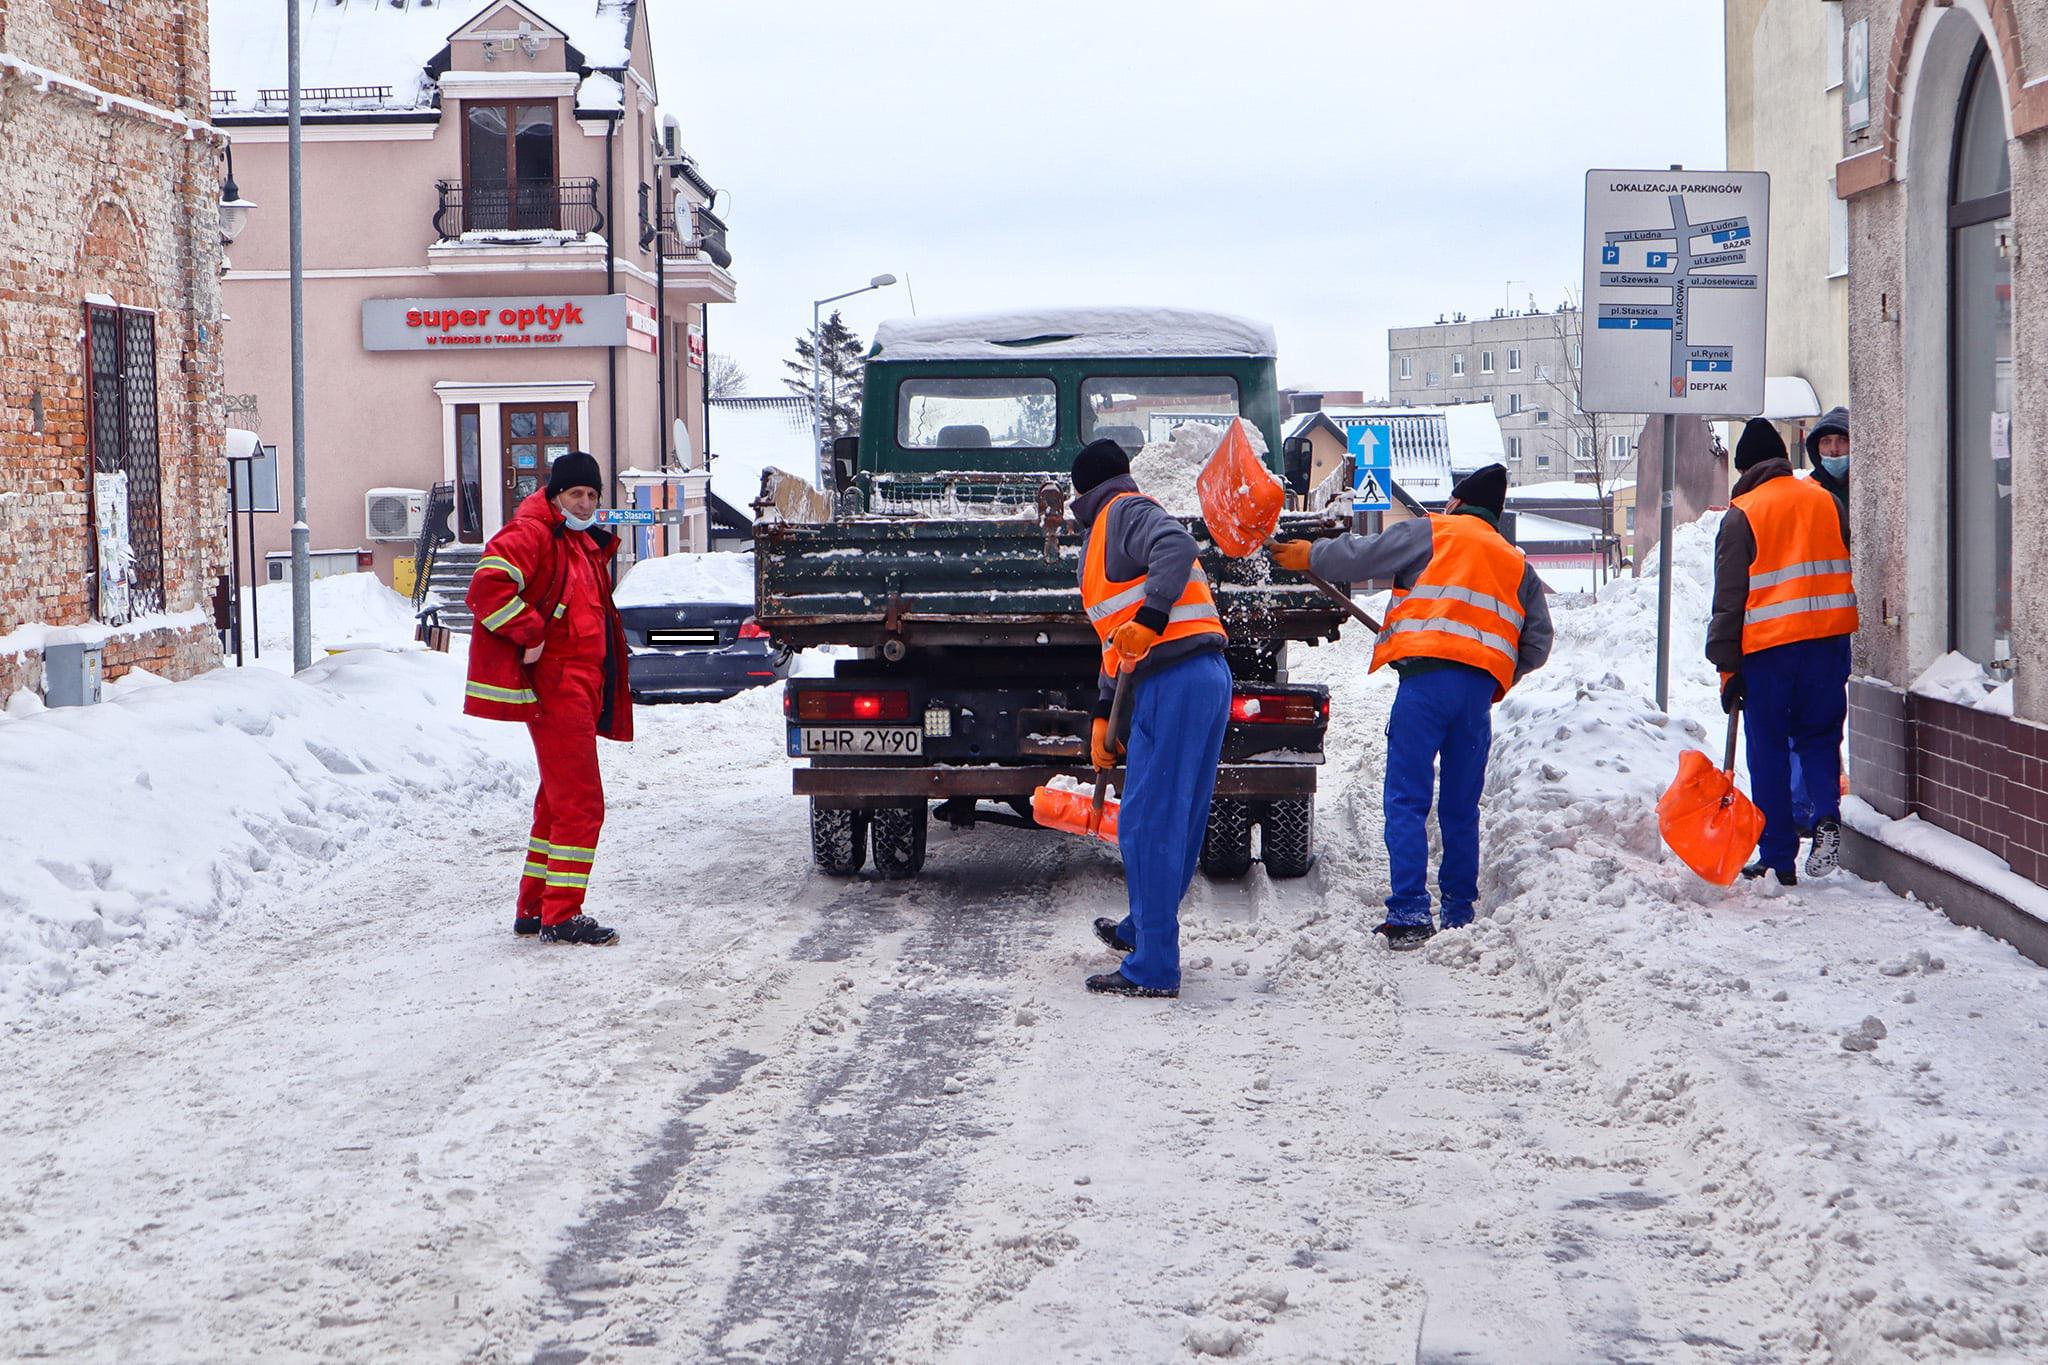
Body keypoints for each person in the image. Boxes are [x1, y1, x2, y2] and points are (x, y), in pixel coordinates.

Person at [1272, 465, 1551, 950]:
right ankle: (1459, 915)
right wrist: (1496, 676)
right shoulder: (1516, 563)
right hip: (1475, 698)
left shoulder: (1434, 530)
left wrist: (1308, 555)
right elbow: (1539, 642)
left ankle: (1408, 914)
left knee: (1406, 799)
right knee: (1461, 807)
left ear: (1459, 504)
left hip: (1423, 687)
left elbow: (1363, 554)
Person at [1070, 437, 1233, 999]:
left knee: (1148, 824)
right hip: (1189, 677)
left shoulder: (1125, 512)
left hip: (1176, 677)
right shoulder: (1106, 536)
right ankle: (1144, 926)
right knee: (1173, 819)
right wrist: (1101, 715)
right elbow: (1118, 639)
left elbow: (1177, 544)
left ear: (1082, 491)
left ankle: (1154, 965)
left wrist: (1153, 616)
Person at [465, 451, 633, 945]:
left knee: (555, 804)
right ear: (555, 495)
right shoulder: (535, 532)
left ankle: (534, 909)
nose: (584, 503)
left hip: (579, 686)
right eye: (575, 494)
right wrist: (530, 631)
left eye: (592, 495)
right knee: (582, 804)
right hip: (559, 686)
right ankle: (562, 915)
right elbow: (486, 587)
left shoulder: (579, 543)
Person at [1708, 419, 1858, 886]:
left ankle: (1778, 857)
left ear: (1746, 468)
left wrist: (1725, 664)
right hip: (1830, 643)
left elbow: (1730, 599)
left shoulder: (1742, 514)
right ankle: (1827, 816)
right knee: (1818, 736)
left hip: (1770, 651)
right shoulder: (1826, 501)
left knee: (1770, 749)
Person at [1790, 404, 1851, 836]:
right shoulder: (1809, 493)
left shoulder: (1868, 487)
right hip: (1816, 620)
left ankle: (1825, 797)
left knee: (1824, 719)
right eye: (1826, 444)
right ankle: (1809, 804)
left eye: (1840, 442)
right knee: (1813, 719)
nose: (1833, 450)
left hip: (1844, 616)